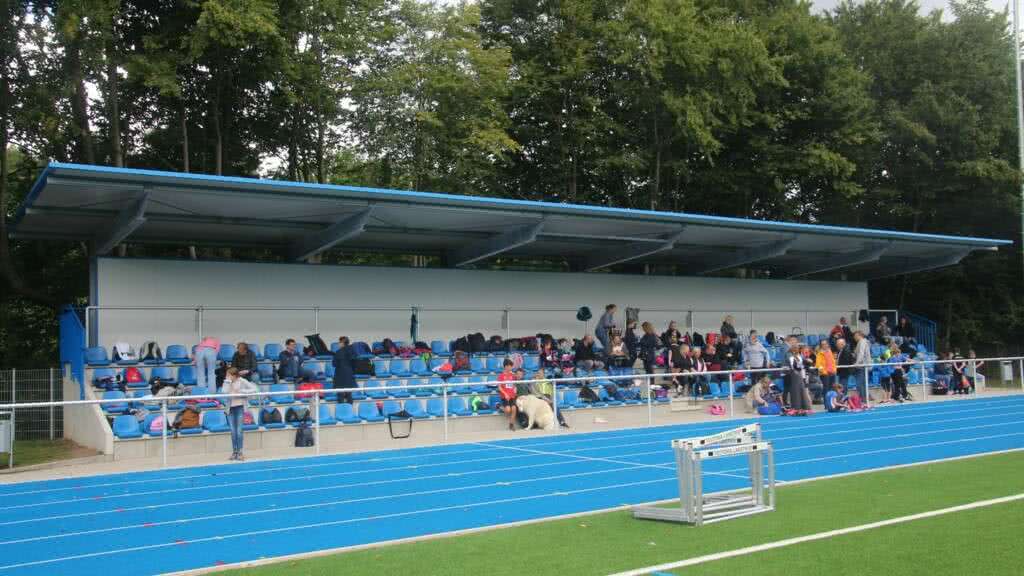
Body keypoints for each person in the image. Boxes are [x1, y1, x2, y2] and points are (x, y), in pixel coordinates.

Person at [222, 367, 258, 461]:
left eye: (228, 375)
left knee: (239, 431)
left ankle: (240, 452)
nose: (227, 376)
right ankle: (234, 452)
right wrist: (228, 383)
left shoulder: (242, 381)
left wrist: (242, 391)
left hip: (240, 408)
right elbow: (224, 392)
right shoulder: (226, 382)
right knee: (233, 431)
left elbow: (254, 389)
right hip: (230, 409)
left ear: (234, 375)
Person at [785, 344, 811, 413]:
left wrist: (808, 362)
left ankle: (804, 407)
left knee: (802, 390)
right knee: (796, 391)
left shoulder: (800, 356)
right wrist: (798, 369)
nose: (797, 349)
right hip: (794, 375)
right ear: (792, 349)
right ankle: (796, 407)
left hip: (800, 374)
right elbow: (792, 366)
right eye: (795, 348)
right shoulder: (790, 356)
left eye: (798, 348)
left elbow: (804, 363)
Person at [332, 336, 358, 403]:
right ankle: (350, 411)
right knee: (349, 395)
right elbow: (355, 363)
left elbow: (334, 364)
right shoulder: (353, 351)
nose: (338, 344)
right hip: (349, 374)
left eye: (339, 342)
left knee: (340, 396)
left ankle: (341, 411)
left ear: (342, 343)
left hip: (340, 375)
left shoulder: (338, 352)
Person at [497, 358, 518, 431]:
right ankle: (499, 406)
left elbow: (514, 384)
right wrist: (505, 394)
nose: (511, 367)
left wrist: (515, 389)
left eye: (511, 366)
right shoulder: (501, 376)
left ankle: (511, 424)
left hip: (512, 395)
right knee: (508, 410)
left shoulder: (513, 375)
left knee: (514, 409)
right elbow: (499, 387)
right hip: (505, 396)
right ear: (506, 366)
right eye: (510, 366)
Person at [852, 331, 870, 399]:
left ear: (859, 335)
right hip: (863, 366)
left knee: (860, 384)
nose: (854, 338)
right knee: (863, 384)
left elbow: (861, 354)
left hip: (862, 366)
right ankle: (864, 399)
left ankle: (863, 400)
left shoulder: (862, 342)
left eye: (855, 336)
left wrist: (856, 363)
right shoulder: (862, 342)